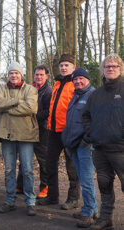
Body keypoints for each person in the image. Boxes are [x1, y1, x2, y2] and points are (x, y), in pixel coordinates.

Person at [82, 53, 124, 230]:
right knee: (104, 183)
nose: (111, 69)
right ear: (103, 70)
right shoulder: (95, 95)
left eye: (114, 66)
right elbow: (85, 116)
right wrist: (91, 132)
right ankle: (106, 219)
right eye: (108, 66)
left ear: (120, 69)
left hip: (121, 149)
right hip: (100, 148)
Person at [0, 62, 38, 216]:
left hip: (26, 134)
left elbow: (31, 107)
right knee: (9, 169)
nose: (14, 75)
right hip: (7, 134)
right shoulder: (1, 89)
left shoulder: (31, 89)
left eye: (16, 73)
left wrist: (9, 110)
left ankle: (30, 202)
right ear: (8, 75)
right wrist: (16, 102)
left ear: (21, 75)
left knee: (27, 170)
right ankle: (10, 200)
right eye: (11, 73)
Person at [38, 54, 80, 210]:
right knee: (50, 164)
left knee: (72, 166)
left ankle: (73, 198)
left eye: (67, 65)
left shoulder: (75, 83)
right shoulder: (56, 84)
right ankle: (52, 196)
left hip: (69, 131)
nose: (63, 68)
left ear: (73, 67)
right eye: (61, 65)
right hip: (53, 131)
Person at [62, 68, 98, 228]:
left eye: (81, 79)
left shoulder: (92, 95)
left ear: (88, 79)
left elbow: (97, 121)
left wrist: (86, 140)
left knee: (86, 179)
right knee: (84, 179)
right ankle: (92, 209)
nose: (77, 82)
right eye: (75, 80)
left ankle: (88, 213)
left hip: (85, 145)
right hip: (74, 144)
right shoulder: (76, 96)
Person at [16, 65, 52, 199]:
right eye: (37, 74)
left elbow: (48, 111)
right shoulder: (28, 89)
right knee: (24, 158)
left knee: (43, 160)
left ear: (46, 76)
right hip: (26, 129)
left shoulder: (48, 91)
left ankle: (45, 187)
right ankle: (20, 185)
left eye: (41, 75)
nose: (39, 77)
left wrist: (32, 115)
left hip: (42, 130)